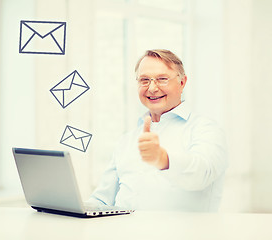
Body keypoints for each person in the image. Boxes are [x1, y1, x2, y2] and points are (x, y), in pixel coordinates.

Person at [87, 49, 228, 212]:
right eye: (144, 80)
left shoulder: (206, 129)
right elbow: (102, 200)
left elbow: (201, 174)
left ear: (182, 83)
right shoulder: (127, 140)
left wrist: (162, 159)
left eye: (162, 79)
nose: (152, 88)